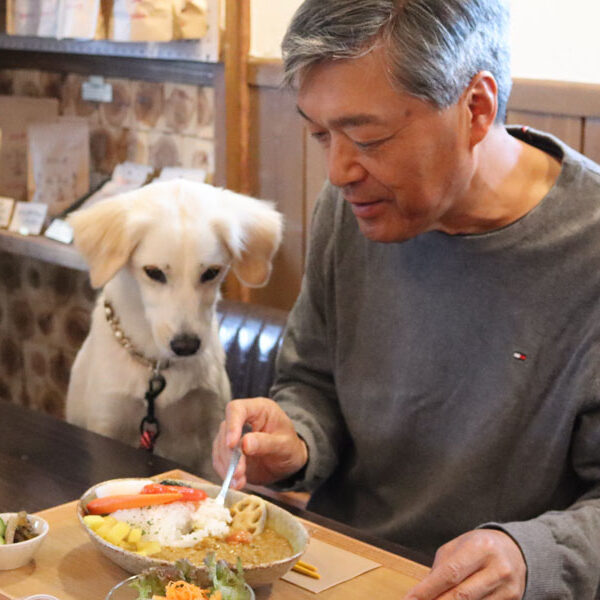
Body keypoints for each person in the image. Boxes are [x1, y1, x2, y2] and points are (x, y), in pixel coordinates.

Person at [212, 1, 600, 598]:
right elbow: (312, 382)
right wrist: (295, 440)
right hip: (341, 567)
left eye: (369, 137)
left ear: (476, 107)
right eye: (320, 135)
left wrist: (533, 556)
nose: (339, 171)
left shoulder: (588, 248)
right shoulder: (354, 207)